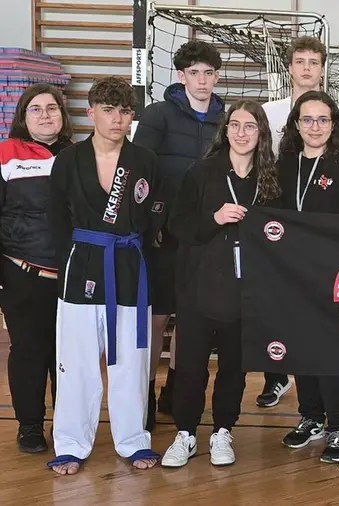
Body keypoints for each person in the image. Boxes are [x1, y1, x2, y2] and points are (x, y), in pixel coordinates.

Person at [46, 76, 164, 475]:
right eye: (109, 110)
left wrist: (137, 248)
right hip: (81, 263)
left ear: (133, 116)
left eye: (125, 111)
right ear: (91, 112)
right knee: (76, 361)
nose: (117, 119)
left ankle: (133, 440)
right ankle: (70, 443)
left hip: (128, 265)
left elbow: (154, 215)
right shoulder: (68, 160)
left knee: (131, 361)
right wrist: (69, 261)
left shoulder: (145, 160)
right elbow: (56, 219)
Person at [160, 100, 280, 468]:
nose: (242, 133)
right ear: (225, 131)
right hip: (199, 287)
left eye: (250, 126)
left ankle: (223, 430)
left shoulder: (270, 177)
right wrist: (214, 218)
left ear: (261, 133)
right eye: (235, 125)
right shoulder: (202, 172)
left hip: (246, 291)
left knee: (234, 368)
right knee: (191, 367)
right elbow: (176, 226)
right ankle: (185, 433)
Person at [133, 39, 226, 430]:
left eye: (208, 73)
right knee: (157, 318)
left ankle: (175, 392)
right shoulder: (158, 115)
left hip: (205, 237)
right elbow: (138, 172)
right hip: (163, 237)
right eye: (194, 73)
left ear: (216, 76)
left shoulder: (227, 119)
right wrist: (150, 224)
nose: (202, 80)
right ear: (181, 76)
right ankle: (144, 395)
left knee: (191, 321)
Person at [259, 35, 339, 407]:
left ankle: (338, 421)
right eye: (299, 61)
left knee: (329, 340)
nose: (315, 126)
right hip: (288, 259)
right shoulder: (272, 123)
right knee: (294, 336)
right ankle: (306, 410)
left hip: (329, 261)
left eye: (313, 62)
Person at [276, 90, 339, 464]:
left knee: (331, 352)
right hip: (290, 273)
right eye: (307, 119)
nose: (315, 127)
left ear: (333, 125)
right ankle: (311, 416)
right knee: (301, 347)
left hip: (332, 273)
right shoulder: (284, 163)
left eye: (322, 120)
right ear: (296, 124)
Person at [0, 84, 74, 453]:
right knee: (29, 351)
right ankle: (29, 426)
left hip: (72, 278)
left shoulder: (80, 156)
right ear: (23, 117)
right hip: (22, 274)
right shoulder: (6, 155)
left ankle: (67, 426)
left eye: (52, 108)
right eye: (35, 109)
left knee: (68, 356)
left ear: (63, 115)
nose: (45, 115)